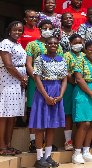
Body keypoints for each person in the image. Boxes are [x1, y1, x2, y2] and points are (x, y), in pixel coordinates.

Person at [25, 20, 64, 153]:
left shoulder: (59, 56)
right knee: (37, 116)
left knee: (51, 123)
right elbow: (30, 65)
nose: (47, 30)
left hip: (55, 87)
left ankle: (47, 153)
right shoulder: (33, 46)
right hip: (38, 82)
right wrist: (37, 77)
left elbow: (63, 76)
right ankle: (34, 144)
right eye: (44, 28)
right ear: (39, 29)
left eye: (50, 28)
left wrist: (60, 95)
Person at [29, 36, 68, 168]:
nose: (52, 45)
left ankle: (48, 156)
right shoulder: (40, 59)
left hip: (57, 92)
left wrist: (61, 95)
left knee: (51, 126)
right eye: (50, 43)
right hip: (43, 92)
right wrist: (45, 96)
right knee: (40, 126)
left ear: (58, 45)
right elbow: (37, 78)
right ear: (45, 45)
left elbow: (64, 79)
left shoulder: (62, 60)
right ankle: (39, 157)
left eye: (55, 43)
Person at [0, 21, 27, 156]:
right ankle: (1, 147)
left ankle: (9, 145)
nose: (17, 32)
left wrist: (23, 78)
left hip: (17, 81)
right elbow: (8, 65)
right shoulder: (5, 43)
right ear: (9, 30)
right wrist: (22, 78)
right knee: (4, 113)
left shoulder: (17, 44)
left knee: (12, 115)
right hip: (7, 81)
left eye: (20, 30)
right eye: (14, 29)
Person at [71, 41, 92, 164]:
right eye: (91, 50)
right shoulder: (80, 60)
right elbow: (79, 79)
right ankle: (77, 153)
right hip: (84, 92)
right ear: (85, 49)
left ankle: (86, 151)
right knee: (84, 123)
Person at [62, 34, 84, 151]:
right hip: (70, 86)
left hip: (83, 87)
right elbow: (66, 72)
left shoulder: (84, 56)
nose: (78, 45)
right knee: (69, 113)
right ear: (70, 44)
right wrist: (76, 83)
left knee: (81, 112)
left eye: (80, 43)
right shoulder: (66, 56)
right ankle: (68, 141)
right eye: (75, 43)